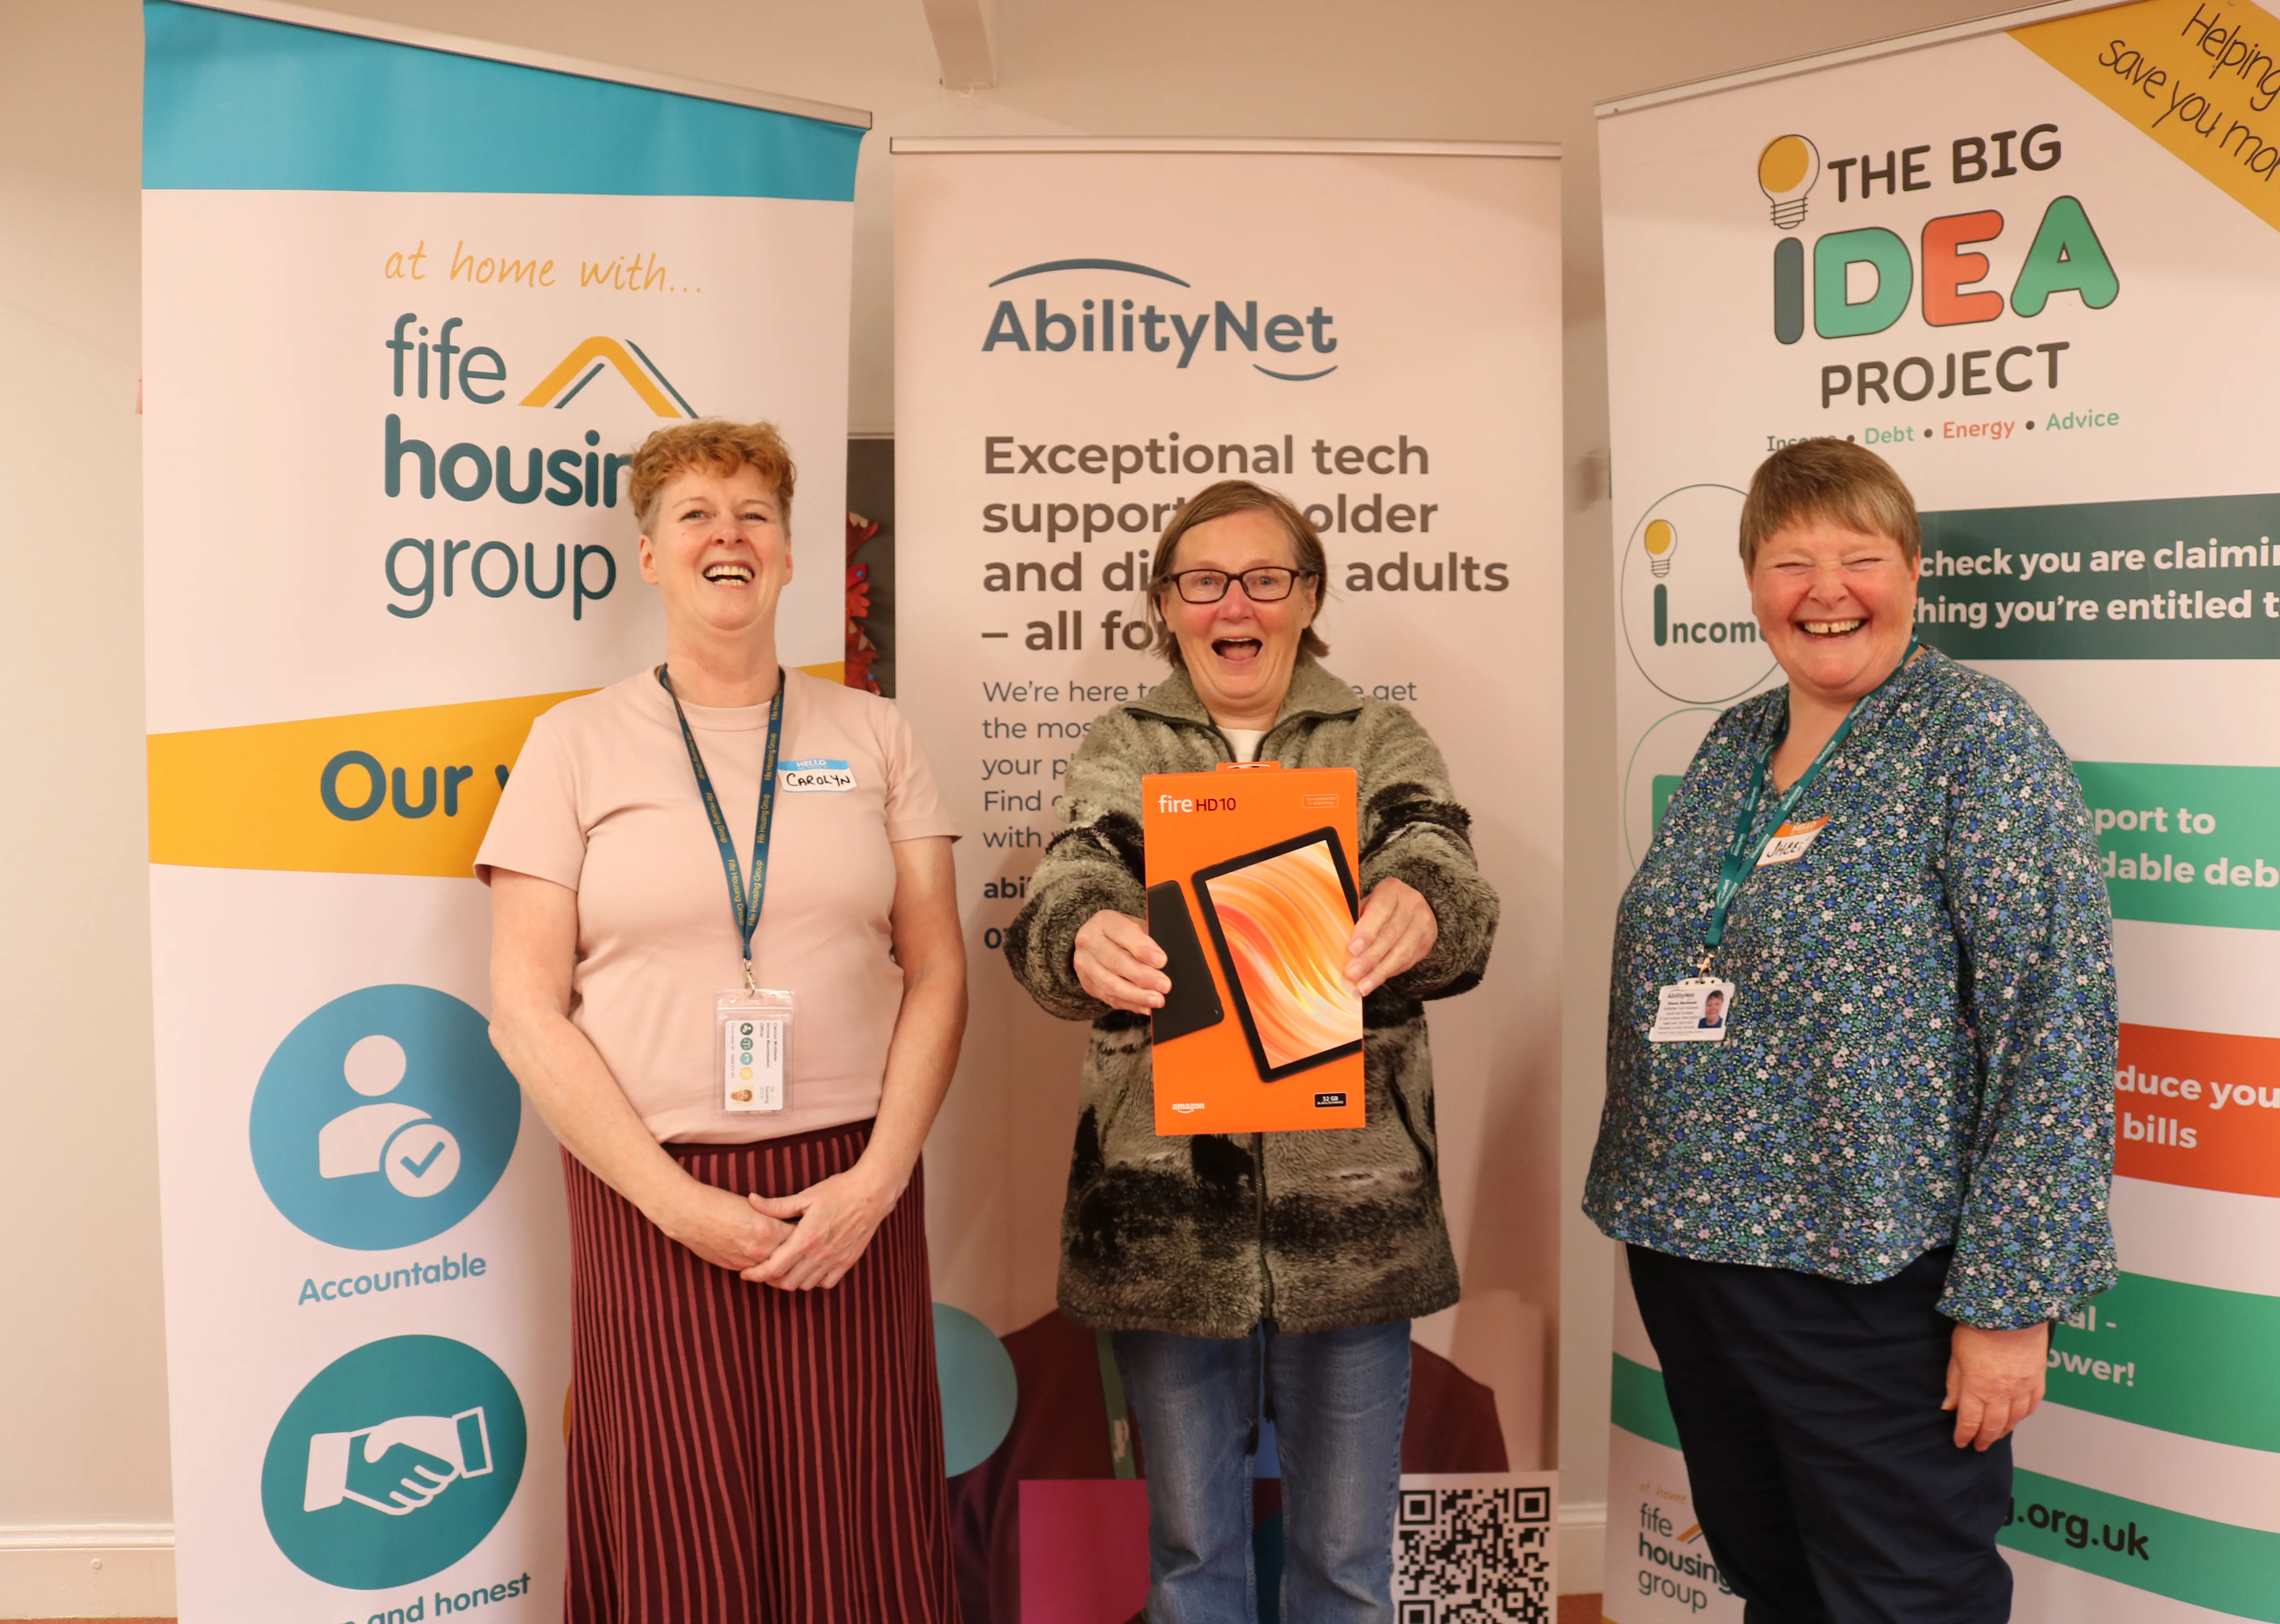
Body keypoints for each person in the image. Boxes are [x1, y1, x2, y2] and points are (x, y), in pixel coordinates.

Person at [1585, 438, 2117, 1623]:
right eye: (1789, 562)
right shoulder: (1733, 742)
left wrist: (2009, 1302)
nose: (1824, 591)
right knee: (1772, 1574)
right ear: (1754, 588)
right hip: (1691, 1251)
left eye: (1858, 557)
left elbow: (2055, 1025)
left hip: (1870, 1271)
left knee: (1903, 1594)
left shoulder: (1978, 744)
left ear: (1913, 572)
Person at [481, 419, 966, 1622]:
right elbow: (524, 1009)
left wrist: (880, 1180)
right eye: (694, 513)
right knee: (677, 1530)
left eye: (753, 515)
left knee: (859, 1525)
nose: (727, 535)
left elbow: (939, 973)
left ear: (793, 557)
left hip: (849, 1191)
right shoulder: (572, 747)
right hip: (649, 1186)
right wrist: (671, 1199)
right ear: (648, 557)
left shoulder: (875, 736)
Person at [1004, 479, 1499, 1624]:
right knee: (1189, 1564)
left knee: (1345, 1567)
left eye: (1266, 579)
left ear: (1308, 597)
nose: (1238, 604)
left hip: (1357, 1218)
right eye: (1205, 582)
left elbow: (1440, 850)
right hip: (1165, 1215)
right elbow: (1074, 873)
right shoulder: (1123, 744)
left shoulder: (1376, 735)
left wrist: (1424, 898)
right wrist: (1082, 933)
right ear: (1168, 607)